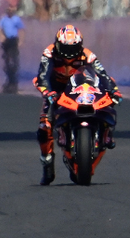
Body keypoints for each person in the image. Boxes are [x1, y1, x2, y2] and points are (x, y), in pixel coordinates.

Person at [35, 25, 121, 186]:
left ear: (80, 45)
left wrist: (114, 91)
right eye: (65, 48)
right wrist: (47, 91)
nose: (68, 54)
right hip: (56, 91)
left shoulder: (88, 55)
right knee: (44, 127)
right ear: (57, 44)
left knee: (108, 106)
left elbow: (103, 76)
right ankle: (47, 163)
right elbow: (42, 76)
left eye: (73, 48)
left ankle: (107, 136)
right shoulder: (49, 53)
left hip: (79, 89)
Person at [0, 5, 24, 94]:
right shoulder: (4, 19)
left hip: (14, 40)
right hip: (7, 41)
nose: (10, 10)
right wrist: (1, 38)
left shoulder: (16, 19)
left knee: (14, 60)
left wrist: (21, 41)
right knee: (7, 60)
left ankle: (14, 81)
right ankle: (8, 80)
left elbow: (21, 30)